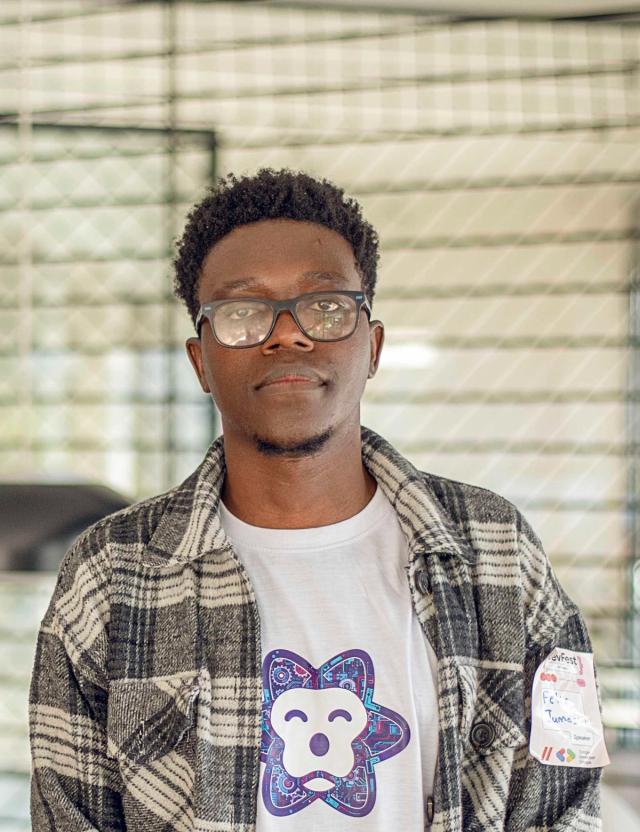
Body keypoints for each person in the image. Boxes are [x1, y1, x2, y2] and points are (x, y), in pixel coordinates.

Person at [29, 168, 604, 831]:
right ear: (200, 362)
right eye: (243, 312)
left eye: (325, 305)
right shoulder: (110, 576)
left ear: (373, 346)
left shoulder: (500, 553)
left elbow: (565, 803)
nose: (288, 334)